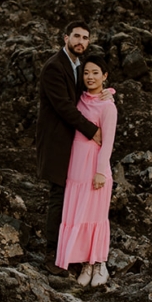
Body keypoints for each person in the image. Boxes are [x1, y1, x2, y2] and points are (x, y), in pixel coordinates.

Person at [35, 20, 102, 273]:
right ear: (65, 38)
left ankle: (69, 249)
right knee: (58, 194)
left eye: (85, 38)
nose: (81, 42)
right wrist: (93, 130)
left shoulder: (80, 66)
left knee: (71, 195)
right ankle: (51, 254)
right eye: (76, 36)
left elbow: (86, 94)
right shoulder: (54, 67)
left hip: (74, 141)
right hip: (56, 141)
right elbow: (64, 106)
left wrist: (105, 94)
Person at [56, 53, 117, 287]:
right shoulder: (79, 99)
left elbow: (108, 141)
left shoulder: (108, 107)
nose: (90, 77)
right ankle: (86, 263)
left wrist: (101, 171)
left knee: (96, 215)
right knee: (78, 214)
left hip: (95, 167)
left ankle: (99, 262)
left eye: (95, 73)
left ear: (105, 76)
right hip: (76, 167)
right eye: (86, 72)